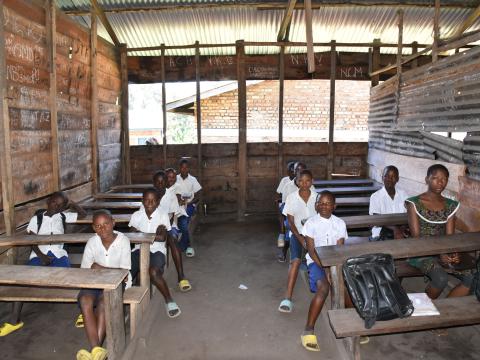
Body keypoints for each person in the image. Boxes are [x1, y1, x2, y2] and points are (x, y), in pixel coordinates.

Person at [0, 191, 86, 337]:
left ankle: (84, 313)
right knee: (22, 280)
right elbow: (31, 240)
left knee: (73, 278)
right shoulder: (37, 218)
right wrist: (42, 256)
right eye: (54, 202)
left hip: (58, 254)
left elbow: (83, 214)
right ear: (48, 201)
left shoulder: (64, 216)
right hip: (39, 254)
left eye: (60, 205)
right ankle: (14, 321)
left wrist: (71, 204)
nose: (56, 206)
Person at [405, 164, 472, 299]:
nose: (440, 182)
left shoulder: (450, 205)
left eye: (444, 179)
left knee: (471, 278)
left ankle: (444, 308)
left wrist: (453, 252)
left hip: (443, 250)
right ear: (427, 179)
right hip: (421, 252)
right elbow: (417, 237)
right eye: (435, 178)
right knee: (441, 278)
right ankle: (424, 308)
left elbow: (449, 236)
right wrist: (440, 252)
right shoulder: (414, 203)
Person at [76, 210, 132, 360]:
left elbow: (124, 273)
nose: (103, 229)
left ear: (113, 223)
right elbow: (85, 270)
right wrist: (96, 270)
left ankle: (94, 350)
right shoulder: (92, 242)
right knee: (84, 300)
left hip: (117, 283)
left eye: (106, 224)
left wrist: (100, 268)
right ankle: (97, 351)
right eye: (98, 226)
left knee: (103, 303)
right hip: (94, 281)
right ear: (94, 228)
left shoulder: (123, 241)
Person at [301, 191, 347, 352]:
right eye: (321, 202)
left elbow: (340, 248)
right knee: (324, 288)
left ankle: (353, 324)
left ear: (334, 206)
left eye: (328, 203)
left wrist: (334, 267)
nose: (324, 206)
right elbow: (312, 251)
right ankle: (308, 329)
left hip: (335, 261)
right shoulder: (310, 223)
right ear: (316, 205)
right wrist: (326, 268)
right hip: (315, 262)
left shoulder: (340, 223)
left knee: (348, 287)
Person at [129, 188, 182, 318]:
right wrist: (154, 234)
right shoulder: (136, 215)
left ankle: (169, 300)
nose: (150, 203)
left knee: (153, 272)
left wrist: (141, 234)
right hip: (138, 250)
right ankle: (127, 300)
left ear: (158, 202)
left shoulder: (162, 215)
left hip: (157, 251)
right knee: (125, 273)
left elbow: (162, 238)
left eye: (153, 201)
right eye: (147, 200)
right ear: (142, 201)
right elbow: (131, 235)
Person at [278, 170, 317, 313]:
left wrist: (311, 239)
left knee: (324, 260)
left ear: (312, 181)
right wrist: (301, 239)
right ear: (297, 181)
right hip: (297, 233)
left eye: (308, 181)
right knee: (295, 261)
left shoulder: (317, 197)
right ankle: (287, 298)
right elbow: (290, 222)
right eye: (301, 181)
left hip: (315, 235)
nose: (304, 184)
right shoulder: (291, 198)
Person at [152, 170, 191, 292]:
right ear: (154, 183)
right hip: (151, 225)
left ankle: (181, 276)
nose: (160, 184)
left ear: (166, 183)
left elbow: (172, 214)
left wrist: (170, 227)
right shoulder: (150, 195)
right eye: (157, 182)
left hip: (168, 224)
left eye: (162, 182)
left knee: (173, 240)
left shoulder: (171, 196)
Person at [369, 165, 409, 241]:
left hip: (401, 228)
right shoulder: (375, 196)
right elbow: (376, 219)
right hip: (381, 231)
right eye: (386, 176)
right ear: (382, 178)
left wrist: (402, 228)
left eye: (393, 176)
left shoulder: (403, 194)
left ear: (397, 179)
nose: (389, 179)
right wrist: (395, 229)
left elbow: (409, 213)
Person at [175, 159, 202, 257]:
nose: (184, 169)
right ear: (180, 168)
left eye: (186, 167)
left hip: (190, 205)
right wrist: (179, 200)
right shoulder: (175, 178)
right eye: (182, 167)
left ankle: (182, 246)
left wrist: (190, 202)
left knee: (183, 221)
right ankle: (187, 244)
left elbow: (198, 195)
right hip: (177, 205)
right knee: (180, 223)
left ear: (188, 168)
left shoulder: (193, 179)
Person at [275, 161, 296, 250]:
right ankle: (283, 233)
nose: (292, 173)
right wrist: (278, 201)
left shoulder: (300, 181)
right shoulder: (285, 181)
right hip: (286, 204)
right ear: (287, 172)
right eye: (290, 171)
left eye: (293, 171)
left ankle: (289, 237)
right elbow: (278, 194)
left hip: (296, 205)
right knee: (284, 213)